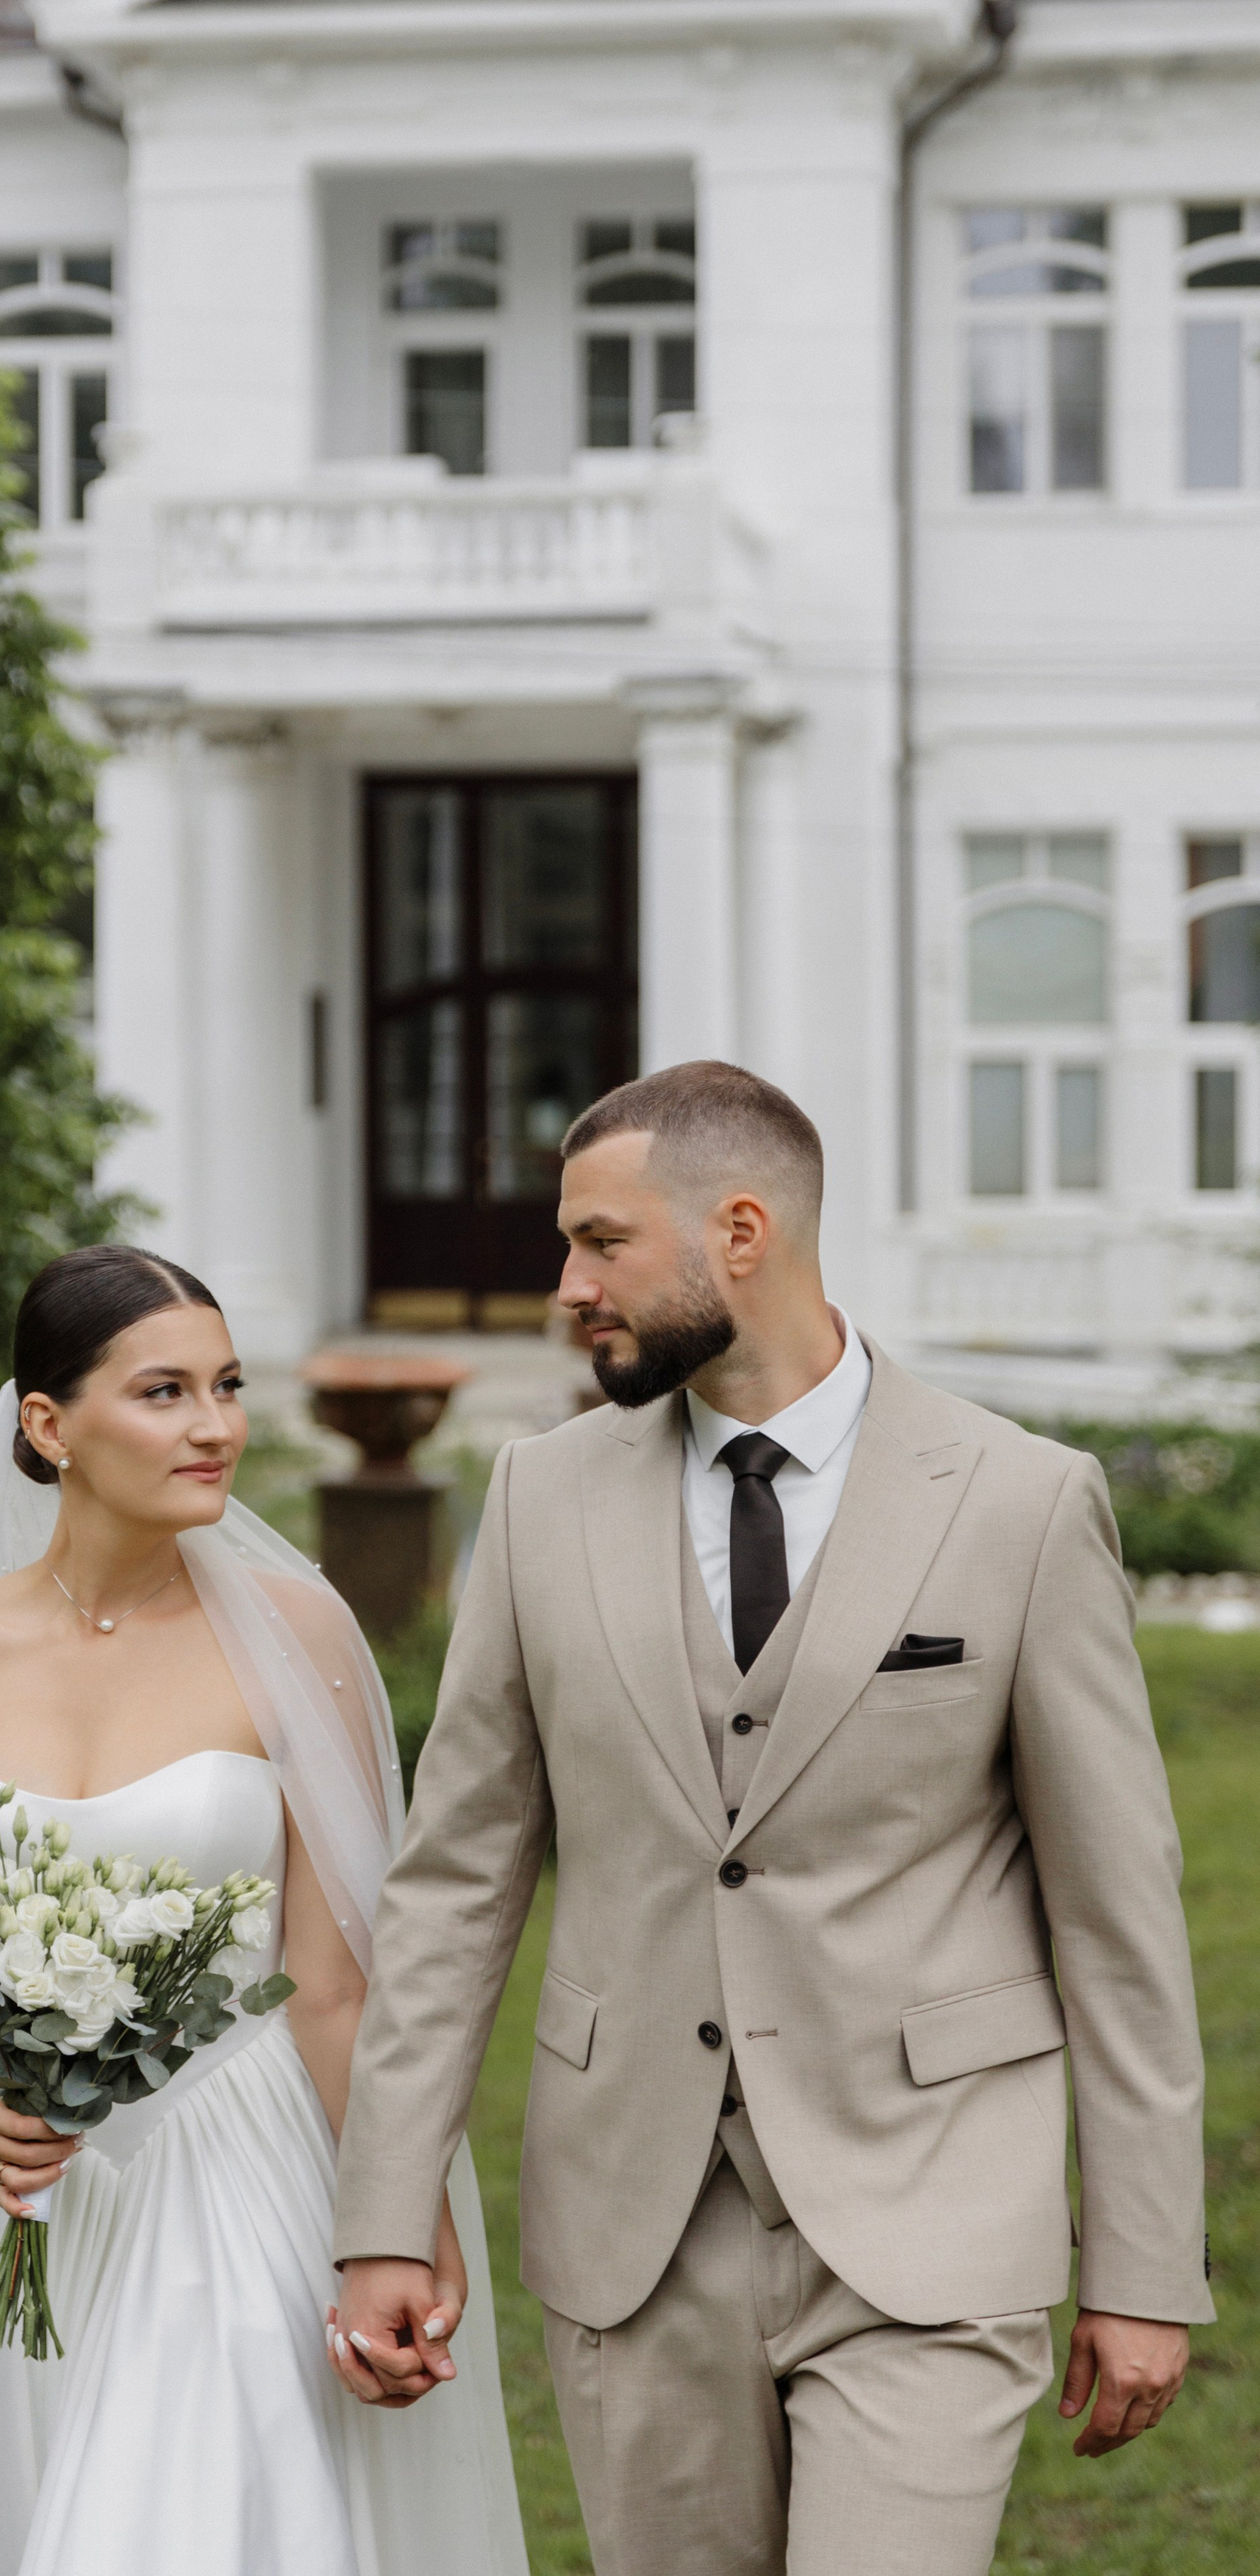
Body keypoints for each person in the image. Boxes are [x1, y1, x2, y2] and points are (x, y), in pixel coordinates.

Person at [331, 1061, 1211, 2576]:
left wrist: (1142, 2258)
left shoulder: (1017, 1500)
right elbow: (455, 1886)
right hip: (637, 2223)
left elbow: (1115, 1913)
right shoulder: (540, 1498)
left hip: (929, 2210)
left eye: (600, 1241)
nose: (566, 1287)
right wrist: (384, 2216)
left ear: (738, 1231)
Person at [0, 1243, 527, 2576]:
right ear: (49, 1424)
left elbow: (336, 1988)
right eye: (165, 1391)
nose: (216, 1425)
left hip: (231, 2183)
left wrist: (399, 2224)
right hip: (13, 2202)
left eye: (227, 1385)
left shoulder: (299, 1637)